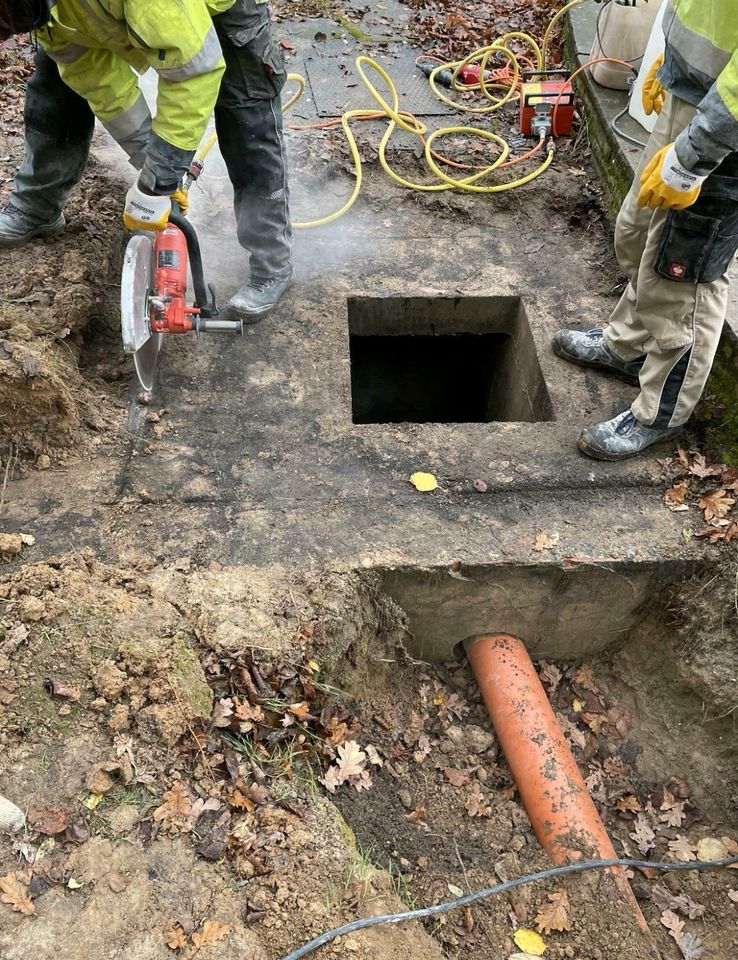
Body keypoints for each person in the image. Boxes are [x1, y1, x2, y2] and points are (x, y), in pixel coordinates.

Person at [0, 0, 293, 320]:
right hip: (104, 11)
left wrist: (163, 173)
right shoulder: (46, 13)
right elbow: (96, 77)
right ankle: (37, 207)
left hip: (220, 8)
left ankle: (271, 263)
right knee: (56, 83)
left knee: (246, 117)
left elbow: (194, 73)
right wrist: (150, 164)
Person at [552, 0, 738, 461]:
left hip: (727, 131)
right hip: (696, 94)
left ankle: (661, 414)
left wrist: (694, 155)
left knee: (684, 277)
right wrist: (674, 62)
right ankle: (627, 347)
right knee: (637, 233)